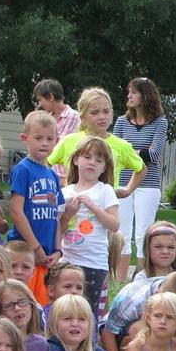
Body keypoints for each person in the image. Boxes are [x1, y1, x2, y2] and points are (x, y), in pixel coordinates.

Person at [112, 78, 169, 281]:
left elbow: (154, 155)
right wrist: (137, 153)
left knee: (143, 233)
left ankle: (141, 278)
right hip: (123, 182)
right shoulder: (120, 122)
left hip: (148, 184)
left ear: (146, 95)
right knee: (122, 231)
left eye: (133, 92)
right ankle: (119, 280)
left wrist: (128, 152)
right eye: (129, 92)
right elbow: (114, 152)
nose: (129, 96)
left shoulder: (160, 123)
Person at [57, 135, 120, 318]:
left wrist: (93, 206)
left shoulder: (104, 190)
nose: (92, 163)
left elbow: (114, 225)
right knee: (64, 309)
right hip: (67, 260)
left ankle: (88, 344)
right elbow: (58, 230)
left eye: (98, 160)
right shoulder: (65, 192)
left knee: (88, 312)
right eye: (87, 157)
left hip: (93, 263)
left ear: (104, 168)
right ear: (76, 160)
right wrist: (68, 214)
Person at [48, 88, 145, 202]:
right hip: (72, 208)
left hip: (105, 210)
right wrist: (52, 188)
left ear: (112, 113)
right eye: (94, 112)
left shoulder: (121, 146)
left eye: (106, 111)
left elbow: (141, 169)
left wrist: (127, 191)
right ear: (83, 118)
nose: (102, 116)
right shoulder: (69, 141)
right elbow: (46, 163)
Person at [7, 111, 62, 299]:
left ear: (57, 140)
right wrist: (35, 248)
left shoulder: (53, 175)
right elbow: (16, 211)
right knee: (20, 302)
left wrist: (58, 250)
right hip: (24, 254)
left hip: (46, 257)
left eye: (49, 138)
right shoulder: (23, 170)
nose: (44, 143)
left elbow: (57, 217)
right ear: (25, 138)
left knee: (42, 306)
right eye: (38, 138)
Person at [100, 271, 176, 351]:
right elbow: (108, 333)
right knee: (138, 328)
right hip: (119, 334)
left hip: (157, 337)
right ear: (158, 292)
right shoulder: (133, 299)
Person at [33, 79, 81, 178]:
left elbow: (62, 146)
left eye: (40, 100)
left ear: (50, 97)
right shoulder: (46, 119)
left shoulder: (74, 117)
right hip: (47, 173)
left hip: (64, 176)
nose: (39, 105)